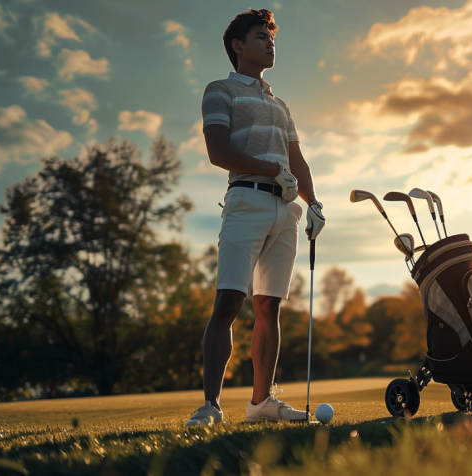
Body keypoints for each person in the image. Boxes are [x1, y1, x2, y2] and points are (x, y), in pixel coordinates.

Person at [185, 8, 325, 426]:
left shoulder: (280, 104)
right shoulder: (220, 90)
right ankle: (210, 405)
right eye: (261, 36)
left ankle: (261, 403)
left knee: (269, 307)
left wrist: (314, 202)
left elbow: (295, 158)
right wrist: (270, 170)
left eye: (272, 36)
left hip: (286, 209)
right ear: (237, 46)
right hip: (246, 201)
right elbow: (218, 151)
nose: (270, 41)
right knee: (229, 300)